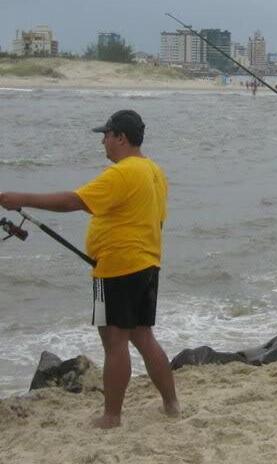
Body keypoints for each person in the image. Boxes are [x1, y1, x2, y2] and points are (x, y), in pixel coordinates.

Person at [0, 110, 179, 428]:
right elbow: (158, 219)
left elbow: (73, 201)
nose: (103, 142)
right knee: (143, 337)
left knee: (114, 341)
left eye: (106, 135)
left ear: (120, 137)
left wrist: (20, 197)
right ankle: (171, 404)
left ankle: (112, 417)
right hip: (147, 263)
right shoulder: (154, 171)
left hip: (117, 268)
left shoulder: (122, 173)